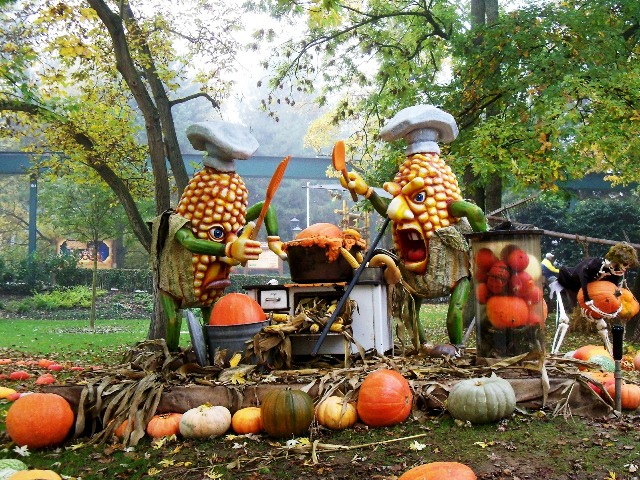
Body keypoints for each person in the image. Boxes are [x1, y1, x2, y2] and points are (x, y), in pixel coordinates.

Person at [555, 242, 639, 309]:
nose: (626, 268)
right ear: (617, 259)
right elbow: (583, 274)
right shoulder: (596, 264)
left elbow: (613, 285)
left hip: (591, 289)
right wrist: (586, 297)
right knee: (574, 304)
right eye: (625, 264)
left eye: (629, 266)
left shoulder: (616, 272)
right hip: (572, 280)